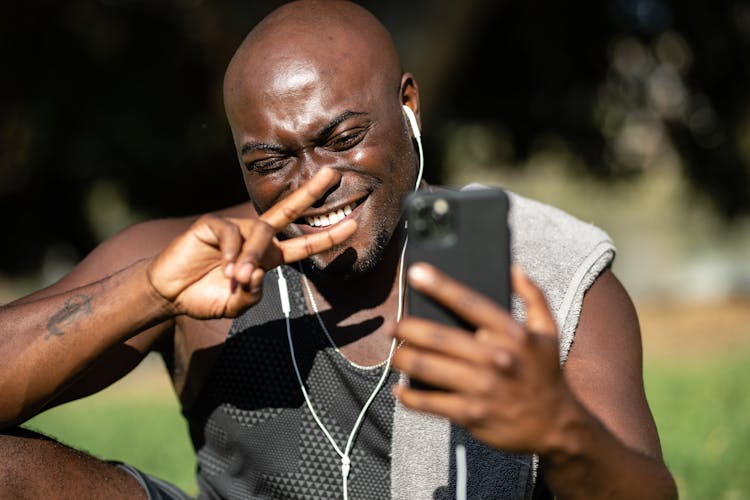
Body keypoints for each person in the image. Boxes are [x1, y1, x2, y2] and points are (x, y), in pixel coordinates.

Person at [0, 1, 677, 499]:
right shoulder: (192, 260)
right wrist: (147, 294)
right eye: (270, 161)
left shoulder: (532, 269)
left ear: (407, 104)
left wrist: (561, 430)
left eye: (344, 136)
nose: (315, 182)